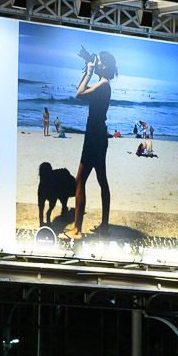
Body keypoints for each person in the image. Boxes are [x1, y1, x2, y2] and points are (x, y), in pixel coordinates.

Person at [67, 50, 117, 239]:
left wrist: (88, 72)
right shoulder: (104, 85)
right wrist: (87, 69)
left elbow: (79, 94)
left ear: (104, 66)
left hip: (94, 138)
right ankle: (104, 226)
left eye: (99, 62)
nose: (96, 63)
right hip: (98, 136)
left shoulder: (103, 86)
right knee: (101, 180)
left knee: (80, 180)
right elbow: (80, 89)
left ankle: (77, 230)